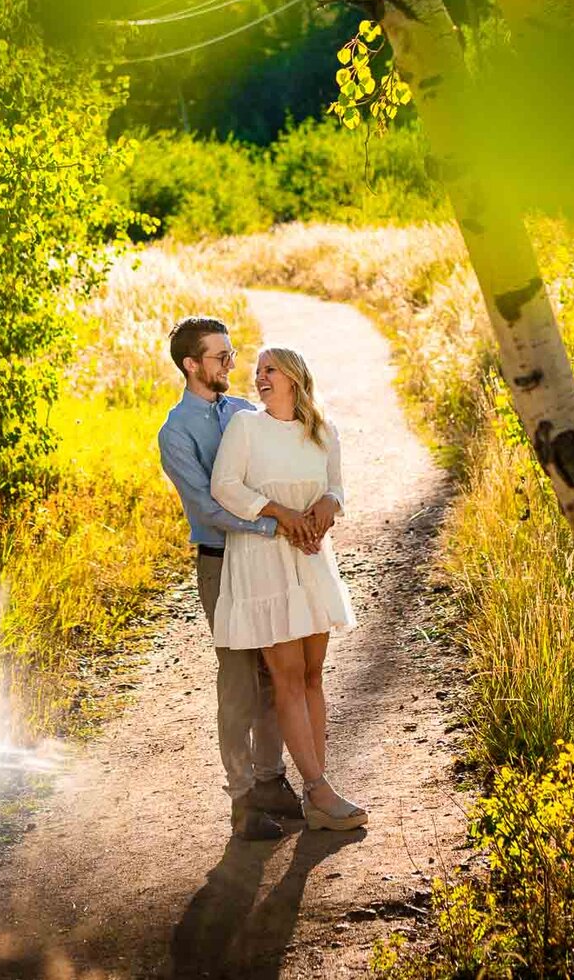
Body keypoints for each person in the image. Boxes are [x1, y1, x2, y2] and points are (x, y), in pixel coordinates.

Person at [158, 316, 335, 841]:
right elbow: (208, 506)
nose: (233, 365)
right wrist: (276, 522)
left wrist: (308, 515)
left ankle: (272, 779)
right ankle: (241, 801)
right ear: (192, 365)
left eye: (232, 355)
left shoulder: (244, 412)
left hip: (269, 557)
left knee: (274, 674)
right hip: (221, 559)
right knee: (237, 680)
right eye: (220, 357)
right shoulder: (176, 432)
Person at [208, 346, 363, 830]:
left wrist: (324, 509)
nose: (260, 378)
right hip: (264, 560)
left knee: (314, 673)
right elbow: (224, 486)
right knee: (288, 675)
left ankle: (319, 792)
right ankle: (318, 790)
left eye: (269, 370)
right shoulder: (246, 427)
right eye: (257, 371)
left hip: (312, 556)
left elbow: (337, 488)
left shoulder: (322, 430)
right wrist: (280, 513)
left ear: (294, 376)